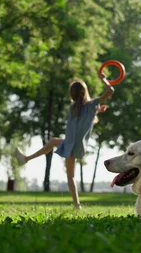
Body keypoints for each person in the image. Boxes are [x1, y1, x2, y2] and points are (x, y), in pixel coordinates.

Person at [15, 73, 115, 209]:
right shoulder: (89, 106)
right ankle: (26, 159)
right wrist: (103, 79)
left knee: (69, 174)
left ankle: (77, 205)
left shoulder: (74, 108)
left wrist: (96, 111)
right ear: (84, 92)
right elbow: (110, 91)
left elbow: (84, 117)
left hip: (71, 143)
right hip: (74, 144)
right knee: (54, 145)